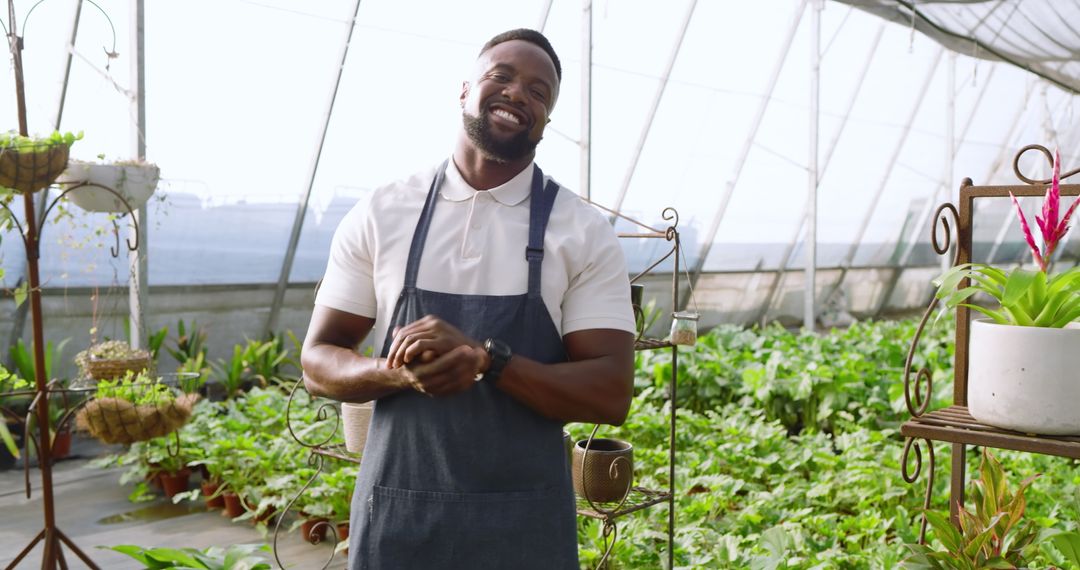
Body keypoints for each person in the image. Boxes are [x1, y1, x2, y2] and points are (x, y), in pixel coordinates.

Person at [302, 28, 635, 569]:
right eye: (500, 76)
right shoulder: (384, 212)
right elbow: (318, 362)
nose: (516, 94)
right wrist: (397, 375)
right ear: (464, 91)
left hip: (524, 528)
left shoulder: (580, 230)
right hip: (398, 518)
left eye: (538, 90)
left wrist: (487, 359)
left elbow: (610, 392)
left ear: (547, 120)